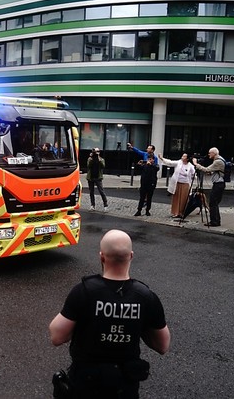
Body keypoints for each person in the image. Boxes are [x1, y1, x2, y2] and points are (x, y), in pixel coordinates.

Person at [49, 229, 170, 399]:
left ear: (102, 257)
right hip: (124, 387)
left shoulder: (84, 291)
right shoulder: (145, 296)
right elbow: (162, 345)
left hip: (86, 384)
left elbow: (56, 336)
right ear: (131, 256)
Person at [192, 147, 225, 227]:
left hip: (218, 184)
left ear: (214, 153)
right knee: (215, 203)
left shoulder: (218, 161)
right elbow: (215, 170)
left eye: (210, 153)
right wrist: (211, 173)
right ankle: (216, 220)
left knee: (213, 203)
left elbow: (206, 169)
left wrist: (196, 164)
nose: (209, 154)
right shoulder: (220, 159)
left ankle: (214, 221)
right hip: (219, 183)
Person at [158, 152, 196, 218]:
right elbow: (170, 162)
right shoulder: (179, 162)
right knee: (176, 198)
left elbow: (194, 174)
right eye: (182, 156)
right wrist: (162, 158)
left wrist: (193, 177)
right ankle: (176, 212)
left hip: (185, 184)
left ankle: (182, 212)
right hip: (177, 183)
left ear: (187, 159)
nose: (182, 157)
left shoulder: (190, 166)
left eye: (184, 156)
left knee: (184, 199)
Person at [134, 152, 159, 216]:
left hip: (151, 184)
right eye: (149, 159)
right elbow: (138, 168)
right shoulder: (145, 165)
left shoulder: (155, 166)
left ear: (153, 160)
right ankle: (139, 210)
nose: (149, 160)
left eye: (151, 159)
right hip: (144, 184)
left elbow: (156, 169)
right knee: (142, 198)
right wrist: (138, 164)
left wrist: (150, 164)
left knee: (149, 198)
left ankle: (147, 210)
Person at [86, 147, 108, 212]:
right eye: (95, 151)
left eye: (97, 151)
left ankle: (105, 205)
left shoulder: (101, 159)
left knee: (101, 191)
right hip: (91, 177)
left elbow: (103, 166)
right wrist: (91, 158)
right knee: (91, 192)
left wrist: (98, 158)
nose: (96, 153)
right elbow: (88, 166)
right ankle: (92, 205)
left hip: (98, 178)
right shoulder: (90, 159)